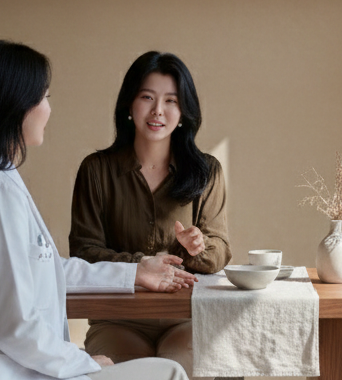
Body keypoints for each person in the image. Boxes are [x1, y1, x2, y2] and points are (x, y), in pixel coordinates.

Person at [0, 40, 196, 380]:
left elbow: (43, 271)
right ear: (15, 106)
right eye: (44, 97)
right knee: (169, 373)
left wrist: (134, 272)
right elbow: (15, 328)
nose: (48, 109)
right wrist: (86, 362)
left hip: (4, 366)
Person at [69, 51, 232, 378]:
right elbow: (84, 253)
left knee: (185, 367)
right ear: (130, 104)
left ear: (183, 110)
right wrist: (140, 267)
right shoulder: (96, 170)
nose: (158, 110)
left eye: (171, 100)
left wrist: (195, 247)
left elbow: (221, 250)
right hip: (117, 319)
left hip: (186, 316)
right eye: (147, 97)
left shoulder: (207, 172)